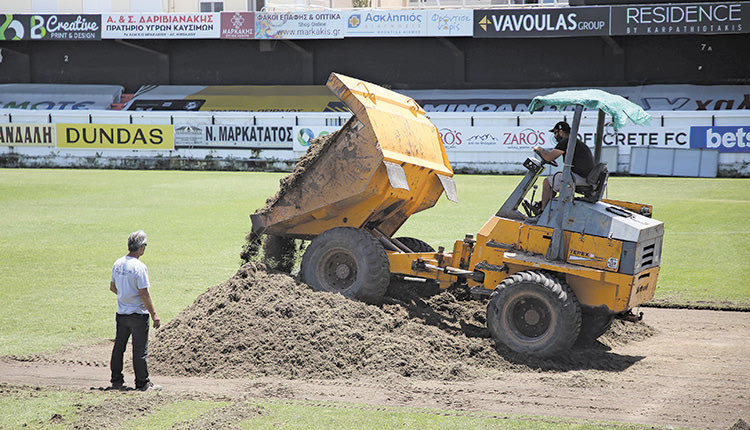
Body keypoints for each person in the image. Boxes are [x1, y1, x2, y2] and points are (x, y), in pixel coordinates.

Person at [109, 230, 161, 391]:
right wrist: (154, 314)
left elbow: (112, 287)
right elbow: (144, 293)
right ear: (141, 247)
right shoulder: (140, 267)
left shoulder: (118, 263)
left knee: (119, 347)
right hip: (138, 314)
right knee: (139, 351)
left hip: (122, 313)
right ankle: (142, 383)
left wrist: (125, 295)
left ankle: (116, 380)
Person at [532, 121, 595, 213]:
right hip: (584, 177)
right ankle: (544, 205)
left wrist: (538, 148)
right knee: (553, 181)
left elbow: (549, 157)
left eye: (555, 133)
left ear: (561, 132)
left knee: (547, 182)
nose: (554, 136)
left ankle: (541, 212)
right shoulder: (574, 141)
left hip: (579, 177)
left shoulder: (566, 141)